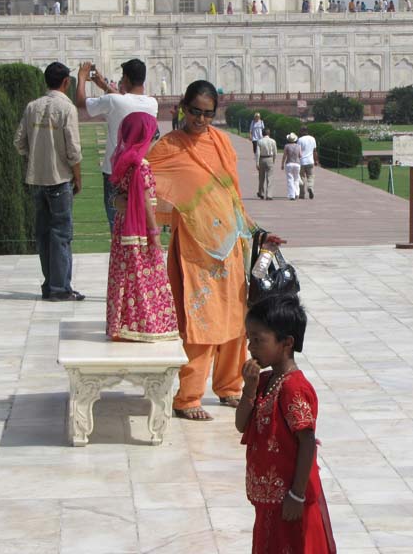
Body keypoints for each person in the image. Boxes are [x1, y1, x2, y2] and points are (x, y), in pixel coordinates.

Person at [148, 80, 274, 421]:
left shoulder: (220, 142)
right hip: (194, 248)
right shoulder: (169, 147)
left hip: (230, 244)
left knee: (235, 319)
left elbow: (232, 194)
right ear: (181, 109)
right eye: (194, 112)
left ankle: (229, 386)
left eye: (207, 114)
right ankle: (187, 397)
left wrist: (255, 232)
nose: (200, 120)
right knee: (200, 323)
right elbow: (142, 181)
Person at [236, 295, 337, 554]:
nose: (250, 347)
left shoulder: (293, 388)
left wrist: (296, 494)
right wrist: (248, 388)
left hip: (290, 501)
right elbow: (241, 424)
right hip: (269, 500)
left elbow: (306, 441)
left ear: (286, 343)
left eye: (258, 340)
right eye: (249, 339)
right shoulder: (264, 381)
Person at [14, 62, 84, 302]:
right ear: (66, 82)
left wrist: (36, 157)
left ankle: (50, 285)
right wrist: (78, 176)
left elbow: (19, 142)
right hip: (59, 179)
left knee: (44, 235)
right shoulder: (67, 108)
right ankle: (60, 288)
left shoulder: (32, 107)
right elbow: (73, 150)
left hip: (38, 180)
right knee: (61, 234)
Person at [106, 112, 179, 342]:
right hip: (140, 231)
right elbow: (146, 202)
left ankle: (122, 322)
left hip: (122, 228)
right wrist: (154, 232)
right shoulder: (142, 165)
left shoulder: (123, 161)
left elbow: (118, 196)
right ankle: (148, 324)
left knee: (125, 273)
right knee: (145, 275)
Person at [77, 58, 159, 232]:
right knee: (138, 226)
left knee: (118, 227)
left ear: (126, 79)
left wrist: (82, 77)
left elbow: (81, 102)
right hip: (140, 171)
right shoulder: (153, 103)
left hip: (115, 172)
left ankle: (121, 258)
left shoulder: (114, 101)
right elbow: (124, 100)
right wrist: (104, 85)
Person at [256, 128, 277, 200]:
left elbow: (257, 153)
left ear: (262, 134)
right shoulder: (273, 141)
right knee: (270, 178)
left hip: (262, 158)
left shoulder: (260, 141)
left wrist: (257, 163)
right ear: (269, 133)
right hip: (270, 158)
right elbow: (275, 152)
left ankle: (261, 192)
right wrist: (273, 160)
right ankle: (269, 195)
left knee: (261, 177)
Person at [297, 126, 318, 199]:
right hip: (310, 160)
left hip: (302, 161)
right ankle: (310, 187)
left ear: (302, 131)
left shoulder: (300, 140)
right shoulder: (313, 138)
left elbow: (298, 151)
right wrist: (316, 160)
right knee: (310, 176)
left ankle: (302, 194)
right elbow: (315, 151)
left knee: (301, 177)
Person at [282, 132, 302, 201]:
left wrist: (282, 164)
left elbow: (284, 156)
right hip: (297, 164)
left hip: (289, 163)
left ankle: (292, 194)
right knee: (296, 179)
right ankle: (297, 193)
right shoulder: (298, 146)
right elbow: (300, 155)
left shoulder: (286, 146)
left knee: (290, 179)